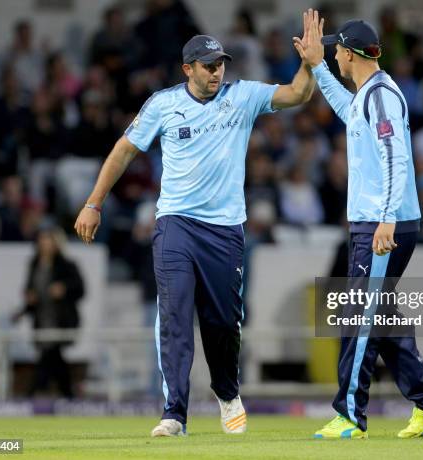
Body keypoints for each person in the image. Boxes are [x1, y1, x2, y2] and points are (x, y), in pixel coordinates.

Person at [74, 11, 317, 437]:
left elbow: (298, 95)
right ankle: (174, 413)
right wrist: (94, 203)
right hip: (176, 225)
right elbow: (124, 151)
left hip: (225, 229)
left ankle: (227, 393)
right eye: (208, 66)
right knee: (174, 316)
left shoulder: (242, 95)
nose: (217, 72)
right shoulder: (163, 104)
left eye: (220, 64)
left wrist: (310, 63)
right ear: (188, 69)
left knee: (223, 322)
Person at [296, 14, 423, 439]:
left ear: (349, 54)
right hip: (377, 221)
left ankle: (350, 415)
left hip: (384, 224)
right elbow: (347, 112)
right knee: (377, 314)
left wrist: (386, 217)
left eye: (335, 51)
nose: (333, 54)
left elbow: (396, 159)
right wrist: (315, 67)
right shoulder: (370, 94)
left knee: (359, 318)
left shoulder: (382, 95)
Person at [13, 227, 84, 398]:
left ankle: (33, 392)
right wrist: (27, 304)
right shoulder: (35, 264)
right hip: (42, 318)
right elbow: (31, 291)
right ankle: (67, 394)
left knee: (50, 354)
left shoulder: (66, 265)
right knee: (53, 356)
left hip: (61, 318)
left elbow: (80, 289)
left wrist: (64, 289)